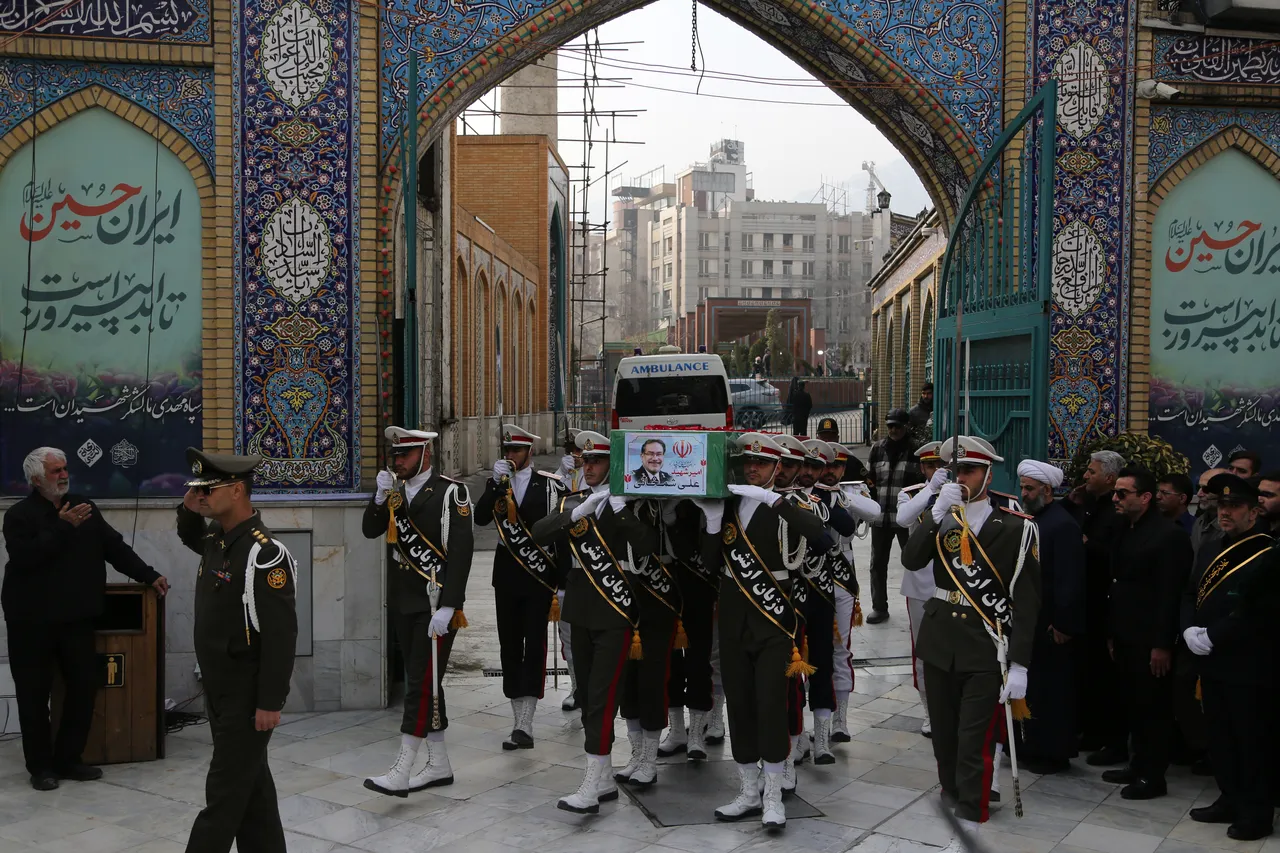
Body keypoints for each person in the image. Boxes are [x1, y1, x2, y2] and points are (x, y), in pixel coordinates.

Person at [901, 436, 1041, 849]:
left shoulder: (1017, 526)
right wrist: (936, 511)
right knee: (944, 736)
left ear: (987, 474)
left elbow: (1029, 602)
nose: (962, 478)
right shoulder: (943, 519)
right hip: (941, 639)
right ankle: (952, 799)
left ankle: (971, 817)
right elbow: (911, 559)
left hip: (986, 645)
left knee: (974, 740)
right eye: (957, 470)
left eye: (971, 471)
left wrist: (1020, 664)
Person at [3, 447, 168, 792]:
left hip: (76, 619)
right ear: (36, 479)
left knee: (83, 687)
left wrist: (149, 574)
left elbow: (115, 548)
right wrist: (62, 528)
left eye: (65, 469)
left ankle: (68, 759)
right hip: (31, 623)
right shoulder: (19, 516)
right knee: (34, 697)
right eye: (55, 471)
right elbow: (25, 559)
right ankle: (41, 767)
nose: (63, 475)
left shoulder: (84, 507)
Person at [696, 432, 827, 830]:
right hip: (735, 617)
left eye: (762, 463)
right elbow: (707, 561)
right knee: (739, 703)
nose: (752, 468)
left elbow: (820, 539)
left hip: (773, 620)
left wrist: (777, 501)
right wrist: (714, 519)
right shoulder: (731, 502)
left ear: (777, 467)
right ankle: (749, 790)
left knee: (770, 704)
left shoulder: (793, 503)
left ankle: (773, 796)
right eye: (747, 462)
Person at [175, 448, 297, 853]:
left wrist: (269, 702)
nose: (203, 495)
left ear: (239, 491)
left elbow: (281, 637)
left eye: (211, 488)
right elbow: (188, 531)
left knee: (223, 796)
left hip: (246, 694)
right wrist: (189, 506)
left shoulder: (265, 554)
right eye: (200, 488)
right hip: (220, 687)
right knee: (253, 792)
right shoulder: (216, 538)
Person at [531, 430, 657, 813]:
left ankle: (591, 782)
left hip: (615, 611)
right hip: (580, 610)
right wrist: (574, 513)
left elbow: (650, 547)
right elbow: (538, 532)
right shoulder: (573, 500)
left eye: (597, 461)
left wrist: (618, 510)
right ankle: (602, 779)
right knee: (587, 697)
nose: (588, 467)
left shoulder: (633, 502)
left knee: (602, 697)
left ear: (612, 464)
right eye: (585, 461)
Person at [360, 427, 474, 796]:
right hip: (404, 601)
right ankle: (438, 764)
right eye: (395, 455)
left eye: (405, 454)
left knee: (419, 685)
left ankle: (403, 767)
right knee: (426, 683)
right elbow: (368, 530)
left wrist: (450, 605)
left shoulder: (450, 493)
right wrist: (379, 498)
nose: (398, 461)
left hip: (434, 605)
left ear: (425, 453)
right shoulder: (395, 493)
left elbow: (461, 553)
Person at [1181, 473, 1277, 841]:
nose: (1225, 512)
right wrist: (1189, 628)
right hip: (1211, 660)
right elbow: (1190, 592)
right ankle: (1229, 797)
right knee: (1219, 736)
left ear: (1253, 512)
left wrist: (1214, 635)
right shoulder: (1211, 547)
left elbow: (1260, 611)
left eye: (1234, 506)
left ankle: (1256, 812)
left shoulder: (1268, 552)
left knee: (1250, 739)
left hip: (1249, 664)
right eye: (1221, 506)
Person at [1104, 466, 1193, 799]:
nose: (1116, 499)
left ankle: (1153, 776)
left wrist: (1162, 645)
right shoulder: (1126, 529)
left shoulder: (1169, 536)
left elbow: (1170, 594)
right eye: (1115, 493)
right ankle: (1137, 764)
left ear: (1145, 497)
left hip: (1150, 639)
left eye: (1123, 493)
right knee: (1132, 704)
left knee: (1152, 708)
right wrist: (1112, 632)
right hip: (1125, 634)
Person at [475, 425, 563, 749]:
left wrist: (562, 583)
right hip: (508, 576)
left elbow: (560, 536)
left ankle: (527, 721)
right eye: (506, 450)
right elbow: (480, 518)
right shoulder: (498, 483)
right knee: (509, 645)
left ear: (529, 452)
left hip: (539, 578)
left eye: (515, 450)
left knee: (534, 645)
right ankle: (516, 719)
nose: (510, 455)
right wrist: (494, 487)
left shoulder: (549, 487)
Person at [1015, 460, 1086, 775]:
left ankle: (1053, 752)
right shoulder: (1032, 520)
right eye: (1022, 487)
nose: (1023, 493)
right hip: (1031, 621)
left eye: (1029, 488)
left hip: (1052, 624)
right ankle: (1029, 746)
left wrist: (1063, 624)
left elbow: (1070, 581)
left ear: (1047, 490)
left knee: (1053, 691)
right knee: (1034, 688)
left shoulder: (1062, 524)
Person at [1064, 449, 1128, 765]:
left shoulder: (1116, 513)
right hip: (1084, 602)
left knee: (1105, 674)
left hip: (1106, 604)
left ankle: (1108, 736)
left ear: (1110, 478)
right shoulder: (1086, 504)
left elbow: (1106, 553)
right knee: (1085, 669)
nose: (1086, 476)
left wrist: (1086, 544)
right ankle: (1087, 728)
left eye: (1092, 472)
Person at [656, 497, 717, 761]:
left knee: (699, 663)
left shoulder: (699, 501)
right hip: (665, 587)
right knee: (669, 665)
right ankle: (677, 731)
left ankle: (696, 735)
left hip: (698, 589)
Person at [895, 441, 949, 737]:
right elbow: (903, 519)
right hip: (920, 583)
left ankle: (950, 707)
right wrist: (930, 490)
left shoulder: (959, 494)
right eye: (931, 466)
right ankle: (929, 712)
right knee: (923, 653)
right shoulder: (911, 493)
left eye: (941, 466)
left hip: (954, 583)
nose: (936, 471)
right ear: (923, 467)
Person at [865, 408, 921, 624]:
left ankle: (918, 605)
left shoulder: (915, 449)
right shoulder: (877, 449)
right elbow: (869, 480)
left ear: (906, 426)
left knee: (914, 561)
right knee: (877, 563)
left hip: (907, 518)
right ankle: (879, 607)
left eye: (897, 425)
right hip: (881, 518)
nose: (893, 429)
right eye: (890, 425)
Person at [555, 428, 584, 710]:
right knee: (569, 637)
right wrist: (562, 476)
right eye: (572, 451)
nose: (576, 457)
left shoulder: (602, 480)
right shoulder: (559, 478)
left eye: (582, 453)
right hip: (566, 572)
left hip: (594, 573)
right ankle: (576, 687)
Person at [815, 416, 868, 481]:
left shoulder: (851, 462)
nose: (827, 441)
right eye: (824, 438)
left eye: (831, 438)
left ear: (837, 439)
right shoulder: (811, 461)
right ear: (817, 439)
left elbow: (868, 485)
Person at [1192, 467, 1228, 554]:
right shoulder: (1199, 522)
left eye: (1206, 489)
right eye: (1198, 488)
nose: (1199, 494)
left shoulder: (1231, 526)